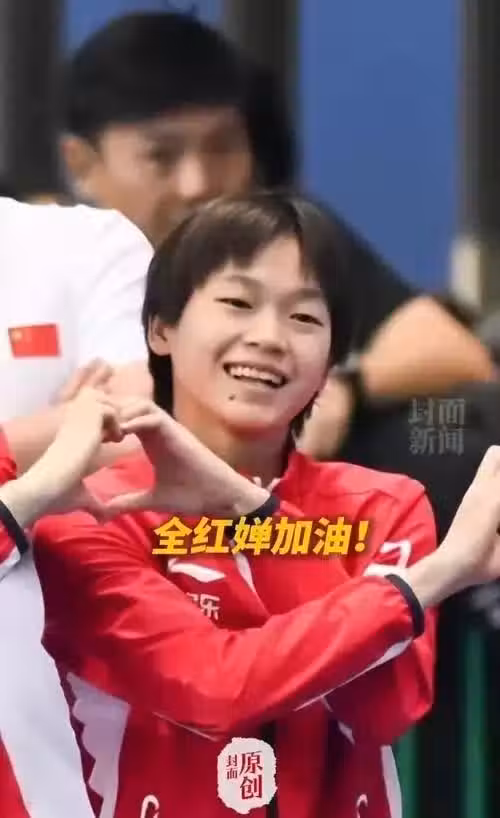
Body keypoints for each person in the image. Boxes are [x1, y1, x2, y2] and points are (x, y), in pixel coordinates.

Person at [27, 192, 500, 818]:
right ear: (161, 329)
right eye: (237, 303)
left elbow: (381, 709)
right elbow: (216, 686)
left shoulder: (383, 506)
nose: (269, 338)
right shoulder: (91, 512)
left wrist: (252, 512)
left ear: (331, 360)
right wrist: (435, 576)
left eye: (304, 317)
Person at [0, 195, 153, 818]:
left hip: (52, 726)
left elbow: (141, 429)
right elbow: (101, 429)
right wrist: (61, 435)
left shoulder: (85, 243)